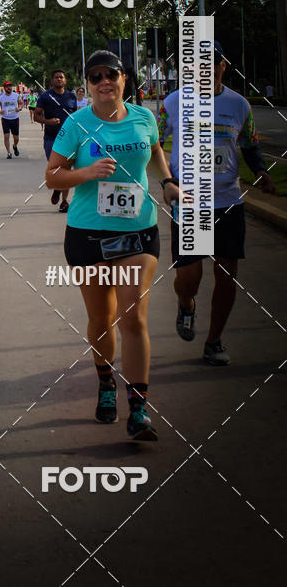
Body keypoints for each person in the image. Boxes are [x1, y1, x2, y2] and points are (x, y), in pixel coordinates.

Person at [46, 50, 180, 440]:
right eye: (96, 76)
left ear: (125, 79)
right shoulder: (77, 123)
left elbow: (154, 151)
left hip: (138, 230)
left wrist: (167, 181)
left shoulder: (144, 118)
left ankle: (138, 409)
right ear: (86, 84)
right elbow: (52, 176)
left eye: (112, 74)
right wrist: (85, 173)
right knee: (101, 318)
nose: (105, 81)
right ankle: (106, 381)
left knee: (133, 315)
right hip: (88, 233)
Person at [158, 41, 275, 365]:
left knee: (226, 274)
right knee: (189, 279)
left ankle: (214, 341)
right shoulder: (174, 101)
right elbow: (153, 143)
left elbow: (249, 145)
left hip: (227, 201)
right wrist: (167, 180)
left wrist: (262, 171)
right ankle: (187, 305)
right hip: (190, 202)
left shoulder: (240, 105)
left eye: (213, 63)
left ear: (224, 65)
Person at [34, 70, 77, 213]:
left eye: (61, 77)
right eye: (56, 77)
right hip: (51, 138)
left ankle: (64, 201)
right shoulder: (46, 96)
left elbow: (75, 117)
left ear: (65, 80)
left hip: (69, 139)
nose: (59, 79)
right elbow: (36, 116)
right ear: (52, 81)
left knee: (66, 169)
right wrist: (48, 121)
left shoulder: (71, 96)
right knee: (56, 169)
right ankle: (58, 188)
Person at [0, 81, 23, 158]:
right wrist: (0, 111)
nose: (9, 88)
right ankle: (8, 153)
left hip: (15, 119)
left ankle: (14, 146)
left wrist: (19, 108)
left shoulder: (16, 95)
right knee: (6, 136)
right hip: (5, 119)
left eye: (10, 86)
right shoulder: (1, 98)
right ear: (4, 88)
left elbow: (21, 103)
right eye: (7, 86)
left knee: (16, 138)